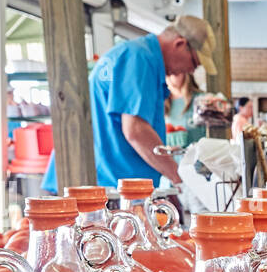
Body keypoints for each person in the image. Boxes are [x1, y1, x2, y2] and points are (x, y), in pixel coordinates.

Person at [42, 15, 214, 192]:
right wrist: (181, 180)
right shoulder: (140, 59)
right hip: (101, 186)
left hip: (102, 182)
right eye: (194, 63)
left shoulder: (138, 55)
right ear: (180, 44)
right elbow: (136, 130)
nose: (191, 70)